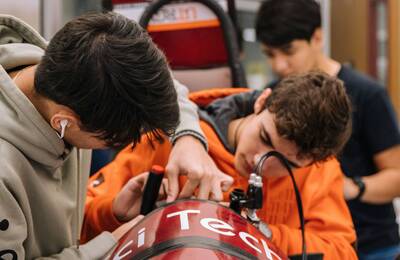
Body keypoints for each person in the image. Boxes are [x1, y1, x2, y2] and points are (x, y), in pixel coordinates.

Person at [0, 12, 232, 259]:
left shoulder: (73, 70)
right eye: (110, 142)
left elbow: (164, 91)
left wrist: (187, 137)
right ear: (64, 123)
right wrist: (111, 246)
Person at [84, 72, 357, 259]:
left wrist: (260, 232)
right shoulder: (171, 141)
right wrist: (115, 213)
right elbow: (76, 222)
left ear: (312, 162)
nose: (259, 160)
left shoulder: (320, 170)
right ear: (261, 102)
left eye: (284, 163)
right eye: (264, 137)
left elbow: (342, 251)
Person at [247, 1, 400, 259]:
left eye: (288, 50)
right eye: (270, 54)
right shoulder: (271, 95)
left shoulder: (367, 94)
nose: (280, 65)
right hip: (302, 245)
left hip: (372, 245)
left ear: (317, 37)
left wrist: (352, 187)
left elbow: (397, 176)